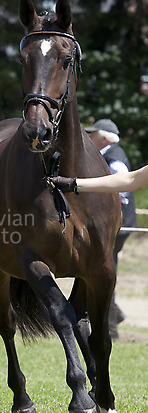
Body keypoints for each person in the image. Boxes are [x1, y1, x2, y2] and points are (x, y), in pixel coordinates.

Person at [50, 119, 138, 339]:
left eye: (94, 134)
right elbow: (127, 181)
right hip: (111, 223)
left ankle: (111, 325)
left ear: (106, 137)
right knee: (103, 272)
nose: (90, 138)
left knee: (104, 271)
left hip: (116, 224)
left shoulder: (114, 158)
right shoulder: (105, 156)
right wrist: (74, 184)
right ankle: (113, 315)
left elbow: (122, 191)